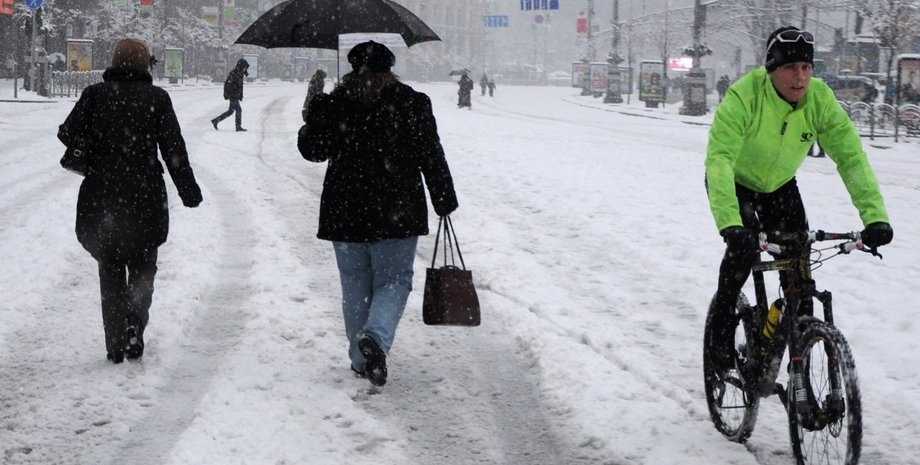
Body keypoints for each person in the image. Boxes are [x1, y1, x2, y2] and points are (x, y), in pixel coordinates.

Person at [704, 26, 893, 373]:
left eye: (806, 67)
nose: (800, 76)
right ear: (771, 69)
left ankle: (799, 358)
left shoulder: (819, 99)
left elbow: (851, 158)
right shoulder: (744, 96)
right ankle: (720, 336)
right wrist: (731, 224)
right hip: (737, 183)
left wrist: (875, 217)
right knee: (742, 253)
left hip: (780, 186)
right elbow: (719, 161)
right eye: (791, 67)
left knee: (800, 270)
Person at [298, 41, 458, 387]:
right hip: (396, 210)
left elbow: (312, 150)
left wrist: (312, 111)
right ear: (390, 69)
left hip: (345, 209)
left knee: (354, 284)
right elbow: (431, 153)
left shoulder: (336, 103)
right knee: (395, 281)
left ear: (355, 68)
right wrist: (443, 198)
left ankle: (360, 360)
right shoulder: (412, 103)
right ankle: (376, 338)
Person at [57, 37, 203, 364]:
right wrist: (188, 190)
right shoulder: (157, 98)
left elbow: (66, 132)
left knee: (109, 268)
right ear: (144, 64)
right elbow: (174, 149)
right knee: (143, 265)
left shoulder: (95, 95)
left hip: (102, 195)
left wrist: (93, 143)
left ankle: (114, 343)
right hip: (145, 196)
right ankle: (135, 321)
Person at [211, 58, 249, 131]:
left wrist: (240, 95)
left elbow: (240, 87)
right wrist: (227, 94)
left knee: (230, 111)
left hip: (235, 95)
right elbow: (227, 84)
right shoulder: (234, 73)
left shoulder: (240, 73)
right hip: (232, 95)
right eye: (244, 67)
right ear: (241, 66)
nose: (245, 69)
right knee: (238, 110)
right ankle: (238, 127)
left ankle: (216, 121)